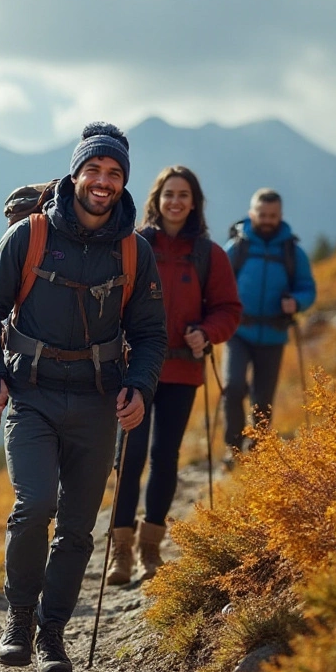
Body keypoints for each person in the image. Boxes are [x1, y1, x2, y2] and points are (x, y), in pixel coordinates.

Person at [0, 122, 167, 672]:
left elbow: (151, 333)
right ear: (75, 174)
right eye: (94, 170)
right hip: (31, 395)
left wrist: (141, 385)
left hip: (100, 402)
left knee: (78, 525)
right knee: (35, 506)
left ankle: (53, 636)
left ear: (124, 183)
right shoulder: (28, 236)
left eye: (114, 174)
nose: (103, 182)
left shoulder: (134, 251)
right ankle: (20, 620)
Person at [107, 166, 241, 586]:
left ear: (194, 201)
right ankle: (121, 553)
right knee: (128, 458)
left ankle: (151, 548)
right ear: (157, 199)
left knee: (165, 458)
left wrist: (207, 332)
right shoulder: (133, 244)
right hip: (133, 369)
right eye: (169, 194)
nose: (176, 201)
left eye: (184, 194)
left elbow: (228, 309)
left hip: (182, 369)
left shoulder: (208, 254)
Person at [221, 188, 316, 466]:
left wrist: (296, 302)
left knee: (263, 399)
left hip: (274, 334)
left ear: (280, 215)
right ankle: (234, 448)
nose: (267, 220)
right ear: (252, 214)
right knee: (233, 387)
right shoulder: (237, 247)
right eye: (262, 214)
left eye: (272, 215)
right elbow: (218, 284)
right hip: (238, 331)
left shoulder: (293, 252)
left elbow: (307, 288)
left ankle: (260, 450)